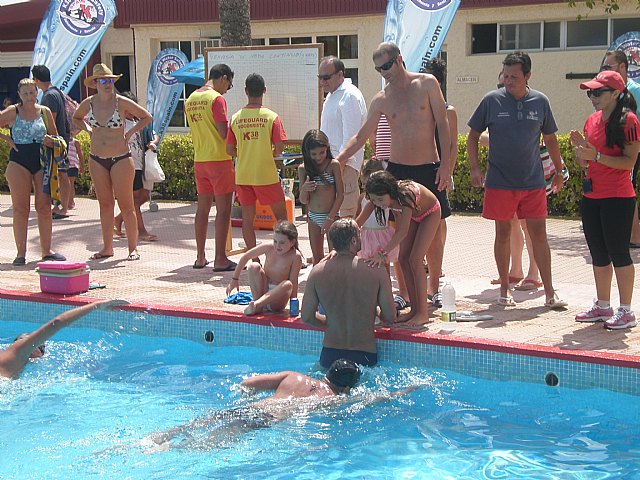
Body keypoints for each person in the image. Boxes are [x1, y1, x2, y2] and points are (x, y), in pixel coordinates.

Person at [334, 42, 451, 310]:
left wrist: (446, 165)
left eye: (386, 66)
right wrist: (339, 159)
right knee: (399, 234)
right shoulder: (382, 99)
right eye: (378, 69)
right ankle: (406, 293)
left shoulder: (427, 84)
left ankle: (434, 288)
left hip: (429, 168)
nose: (384, 72)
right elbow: (361, 136)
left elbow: (443, 124)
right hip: (398, 171)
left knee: (434, 233)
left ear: (399, 59)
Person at [467, 51, 566, 309]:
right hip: (500, 182)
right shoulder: (491, 100)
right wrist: (475, 168)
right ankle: (504, 289)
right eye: (506, 76)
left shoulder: (540, 101)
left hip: (533, 182)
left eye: (514, 77)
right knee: (503, 233)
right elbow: (472, 136)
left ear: (527, 76)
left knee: (539, 235)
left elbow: (551, 139)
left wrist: (559, 170)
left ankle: (550, 292)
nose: (508, 81)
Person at [147, 359, 364, 450]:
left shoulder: (294, 376)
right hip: (266, 419)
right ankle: (170, 450)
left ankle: (157, 438)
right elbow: (364, 401)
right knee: (208, 444)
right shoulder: (333, 398)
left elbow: (247, 384)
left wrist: (247, 400)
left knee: (202, 423)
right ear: (346, 387)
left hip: (254, 408)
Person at [570, 71, 640, 330]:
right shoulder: (592, 120)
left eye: (598, 92)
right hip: (592, 196)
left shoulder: (629, 121)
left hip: (618, 197)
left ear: (616, 93)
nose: (593, 97)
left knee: (619, 252)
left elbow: (629, 162)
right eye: (591, 92)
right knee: (598, 253)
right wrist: (581, 153)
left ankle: (626, 310)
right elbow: (585, 162)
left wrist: (597, 156)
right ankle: (602, 305)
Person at [72, 63, 152, 262]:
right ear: (95, 84)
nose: (107, 84)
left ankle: (133, 248)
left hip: (121, 158)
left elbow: (146, 116)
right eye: (103, 81)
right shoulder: (89, 103)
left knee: (127, 205)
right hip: (97, 158)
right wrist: (88, 130)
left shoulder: (121, 102)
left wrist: (130, 132)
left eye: (110, 80)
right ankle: (107, 248)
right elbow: (76, 118)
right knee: (105, 205)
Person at [301, 218, 396, 367]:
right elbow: (390, 316)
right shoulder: (377, 271)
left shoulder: (317, 272)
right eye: (359, 233)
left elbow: (306, 316)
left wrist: (330, 322)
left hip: (330, 353)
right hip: (364, 353)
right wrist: (376, 311)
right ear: (353, 240)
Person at [0, 78, 66, 266]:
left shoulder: (44, 112)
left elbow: (56, 136)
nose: (29, 96)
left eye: (32, 92)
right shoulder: (13, 111)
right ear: (19, 95)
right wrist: (7, 139)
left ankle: (47, 250)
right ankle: (21, 253)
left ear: (37, 92)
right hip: (19, 161)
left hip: (41, 161)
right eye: (25, 93)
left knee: (43, 207)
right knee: (21, 208)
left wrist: (51, 141)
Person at [364, 171, 441, 327]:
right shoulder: (382, 199)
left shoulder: (405, 195)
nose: (378, 204)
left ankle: (422, 314)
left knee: (415, 259)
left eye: (380, 199)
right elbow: (360, 218)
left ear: (390, 191)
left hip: (430, 213)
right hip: (415, 215)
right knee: (403, 258)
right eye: (374, 200)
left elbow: (402, 232)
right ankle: (414, 310)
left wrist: (382, 253)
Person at [226, 73, 288, 251]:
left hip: (243, 175)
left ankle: (254, 258)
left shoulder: (235, 118)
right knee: (282, 217)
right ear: (264, 90)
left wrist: (245, 153)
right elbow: (280, 147)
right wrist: (267, 153)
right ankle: (290, 252)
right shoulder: (271, 117)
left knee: (247, 219)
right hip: (265, 174)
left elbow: (229, 150)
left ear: (246, 91)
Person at [185, 63, 237, 271]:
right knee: (223, 210)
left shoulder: (190, 99)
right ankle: (220, 258)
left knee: (203, 208)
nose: (227, 90)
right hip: (219, 160)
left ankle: (200, 257)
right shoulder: (216, 99)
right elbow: (224, 133)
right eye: (229, 85)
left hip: (200, 160)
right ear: (223, 78)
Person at [0, 299, 127, 379]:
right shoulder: (19, 351)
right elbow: (58, 322)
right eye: (39, 345)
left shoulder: (8, 356)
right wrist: (95, 305)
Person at [600, 50, 640, 248]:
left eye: (609, 67)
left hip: (631, 150)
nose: (604, 71)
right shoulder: (607, 91)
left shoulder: (636, 90)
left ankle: (634, 236)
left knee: (627, 187)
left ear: (623, 67)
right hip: (617, 150)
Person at [318, 56, 367, 218]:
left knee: (345, 220)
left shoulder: (350, 95)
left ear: (340, 75)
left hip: (344, 168)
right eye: (320, 77)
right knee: (330, 219)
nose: (322, 82)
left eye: (326, 77)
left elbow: (351, 138)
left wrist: (337, 168)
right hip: (331, 167)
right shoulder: (332, 95)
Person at [226, 220, 303, 316]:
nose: (277, 246)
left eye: (282, 243)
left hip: (277, 298)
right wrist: (234, 279)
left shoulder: (295, 256)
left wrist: (293, 304)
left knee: (288, 284)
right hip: (263, 289)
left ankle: (257, 305)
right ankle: (258, 306)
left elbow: (294, 281)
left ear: (292, 242)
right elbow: (246, 256)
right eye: (275, 241)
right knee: (254, 266)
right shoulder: (269, 247)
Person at [355, 159, 404, 307]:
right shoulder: (363, 198)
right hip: (367, 237)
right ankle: (373, 299)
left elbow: (397, 220)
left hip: (382, 236)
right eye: (363, 184)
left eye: (368, 184)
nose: (366, 188)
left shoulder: (385, 197)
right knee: (368, 268)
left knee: (384, 269)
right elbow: (358, 219)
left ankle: (386, 299)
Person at [114, 91, 159, 242]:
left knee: (144, 195)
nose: (131, 110)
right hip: (126, 163)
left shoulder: (139, 121)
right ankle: (141, 230)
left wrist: (153, 142)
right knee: (133, 198)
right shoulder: (118, 123)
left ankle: (118, 219)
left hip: (141, 164)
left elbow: (153, 133)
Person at [297, 129, 344, 264]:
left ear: (327, 148)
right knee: (317, 257)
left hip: (331, 216)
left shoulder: (333, 165)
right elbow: (303, 200)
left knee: (334, 257)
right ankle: (317, 277)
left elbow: (340, 195)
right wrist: (304, 189)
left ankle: (333, 278)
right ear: (307, 152)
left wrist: (330, 218)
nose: (318, 157)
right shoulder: (303, 169)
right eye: (314, 154)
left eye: (322, 152)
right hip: (313, 217)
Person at [31, 65, 71, 220]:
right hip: (62, 138)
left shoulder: (48, 96)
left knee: (61, 173)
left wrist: (48, 139)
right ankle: (60, 206)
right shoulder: (56, 92)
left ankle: (63, 208)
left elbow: (50, 121)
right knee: (60, 174)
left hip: (55, 141)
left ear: (36, 80)